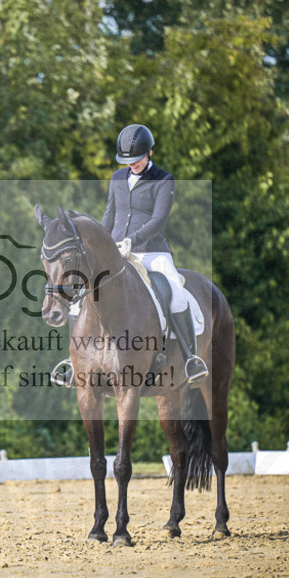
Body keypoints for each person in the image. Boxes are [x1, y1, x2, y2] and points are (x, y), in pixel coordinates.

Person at [101, 123, 208, 387]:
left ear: (149, 153)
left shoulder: (163, 180)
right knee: (85, 293)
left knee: (176, 292)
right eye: (128, 161)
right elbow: (109, 215)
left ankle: (191, 359)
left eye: (136, 160)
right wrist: (104, 244)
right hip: (117, 251)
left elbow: (159, 220)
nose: (132, 165)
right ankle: (73, 361)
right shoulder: (117, 178)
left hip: (151, 252)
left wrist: (131, 240)